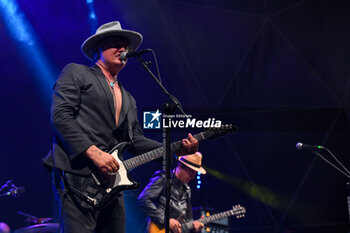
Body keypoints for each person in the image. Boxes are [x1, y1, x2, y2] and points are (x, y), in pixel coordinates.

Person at [42, 21, 198, 233]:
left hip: (112, 182)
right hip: (76, 174)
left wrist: (174, 147)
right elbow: (60, 116)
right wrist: (93, 152)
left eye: (125, 45)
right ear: (98, 48)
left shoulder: (128, 97)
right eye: (115, 43)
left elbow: (135, 140)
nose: (123, 49)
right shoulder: (77, 72)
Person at [138, 152, 206, 233]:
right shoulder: (164, 178)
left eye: (195, 173)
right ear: (180, 166)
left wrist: (195, 229)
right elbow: (143, 199)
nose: (193, 176)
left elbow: (188, 220)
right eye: (191, 172)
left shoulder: (187, 190)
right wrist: (166, 220)